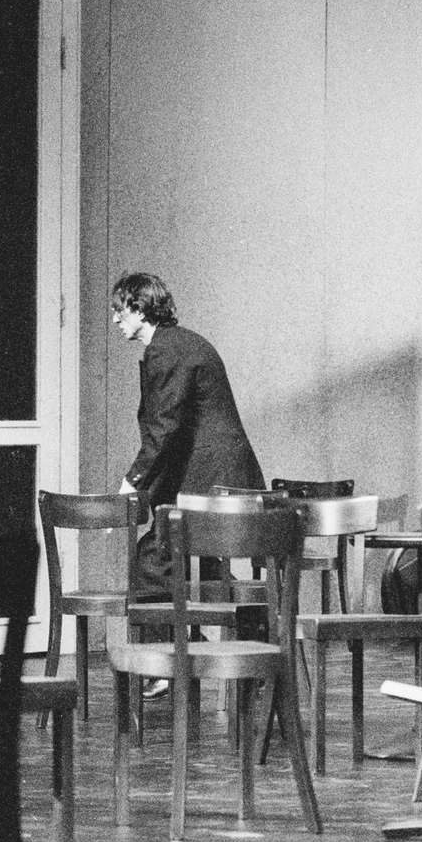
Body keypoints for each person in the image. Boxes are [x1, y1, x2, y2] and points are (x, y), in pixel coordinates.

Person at [111, 273, 265, 697]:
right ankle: (188, 652)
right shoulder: (180, 343)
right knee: (182, 559)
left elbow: (165, 429)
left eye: (118, 310)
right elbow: (173, 434)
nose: (115, 320)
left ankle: (172, 660)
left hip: (215, 480)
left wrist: (132, 484)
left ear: (140, 308)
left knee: (152, 559)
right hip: (215, 477)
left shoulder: (167, 349)